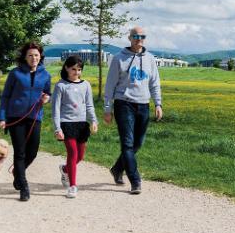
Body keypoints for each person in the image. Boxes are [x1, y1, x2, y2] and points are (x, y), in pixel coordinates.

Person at [104, 26, 163, 195]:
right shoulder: (118, 59)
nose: (139, 39)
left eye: (142, 36)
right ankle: (135, 180)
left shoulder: (150, 59)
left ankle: (117, 169)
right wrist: (108, 109)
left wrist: (158, 104)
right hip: (124, 104)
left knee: (137, 143)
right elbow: (109, 86)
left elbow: (154, 83)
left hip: (143, 104)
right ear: (129, 38)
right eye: (136, 36)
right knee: (127, 144)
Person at [0, 42, 51, 202]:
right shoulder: (15, 73)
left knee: (32, 152)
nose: (33, 58)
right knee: (20, 152)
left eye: (36, 55)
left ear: (40, 56)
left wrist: (46, 99)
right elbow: (5, 96)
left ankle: (17, 173)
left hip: (35, 116)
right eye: (30, 55)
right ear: (25, 57)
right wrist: (2, 117)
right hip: (15, 117)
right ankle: (24, 186)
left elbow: (48, 93)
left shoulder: (46, 75)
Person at [52, 56, 98, 199]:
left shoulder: (86, 85)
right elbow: (56, 109)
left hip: (82, 124)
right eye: (73, 69)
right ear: (66, 68)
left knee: (80, 156)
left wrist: (94, 121)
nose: (76, 72)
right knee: (72, 153)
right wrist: (57, 128)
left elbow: (89, 105)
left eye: (79, 70)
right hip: (67, 124)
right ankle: (72, 186)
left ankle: (65, 169)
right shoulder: (61, 86)